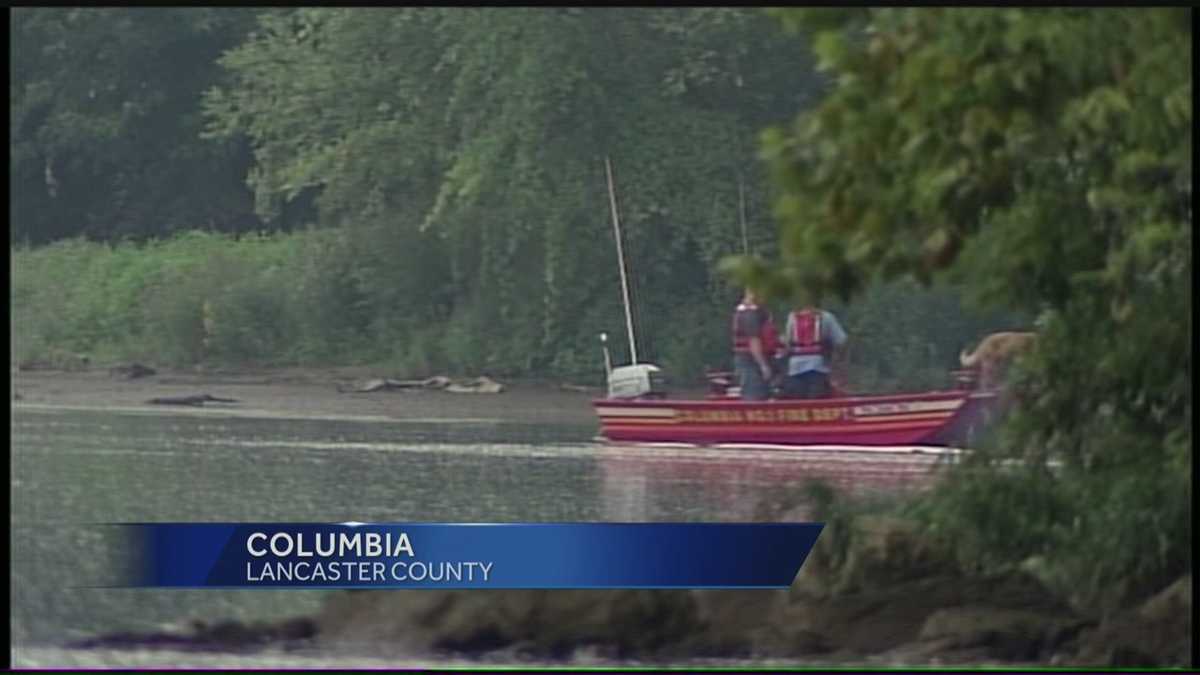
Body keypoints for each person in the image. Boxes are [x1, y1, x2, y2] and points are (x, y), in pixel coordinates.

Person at [781, 299, 847, 399]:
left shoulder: (792, 317)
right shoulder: (826, 317)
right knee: (817, 399)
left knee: (798, 401)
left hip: (795, 367)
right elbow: (841, 340)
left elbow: (787, 342)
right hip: (818, 365)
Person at [731, 288, 779, 401]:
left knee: (765, 391)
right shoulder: (749, 313)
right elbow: (753, 340)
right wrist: (763, 365)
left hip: (757, 357)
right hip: (750, 360)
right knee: (754, 394)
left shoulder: (757, 311)